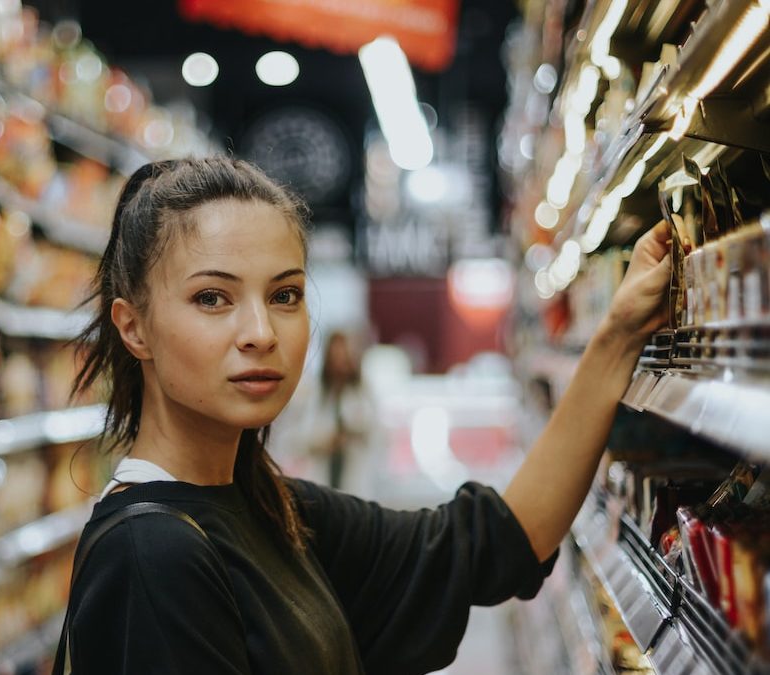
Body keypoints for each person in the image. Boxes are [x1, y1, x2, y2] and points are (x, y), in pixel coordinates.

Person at [62, 157, 671, 675]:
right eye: (212, 298)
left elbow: (495, 543)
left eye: (285, 296)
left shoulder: (274, 509)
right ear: (133, 327)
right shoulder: (152, 556)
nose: (260, 332)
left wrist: (619, 335)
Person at [301, 330, 380, 493]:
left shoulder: (362, 392)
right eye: (335, 357)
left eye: (344, 356)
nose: (339, 363)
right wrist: (326, 441)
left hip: (355, 477)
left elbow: (375, 432)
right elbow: (300, 438)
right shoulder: (317, 393)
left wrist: (351, 434)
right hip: (323, 476)